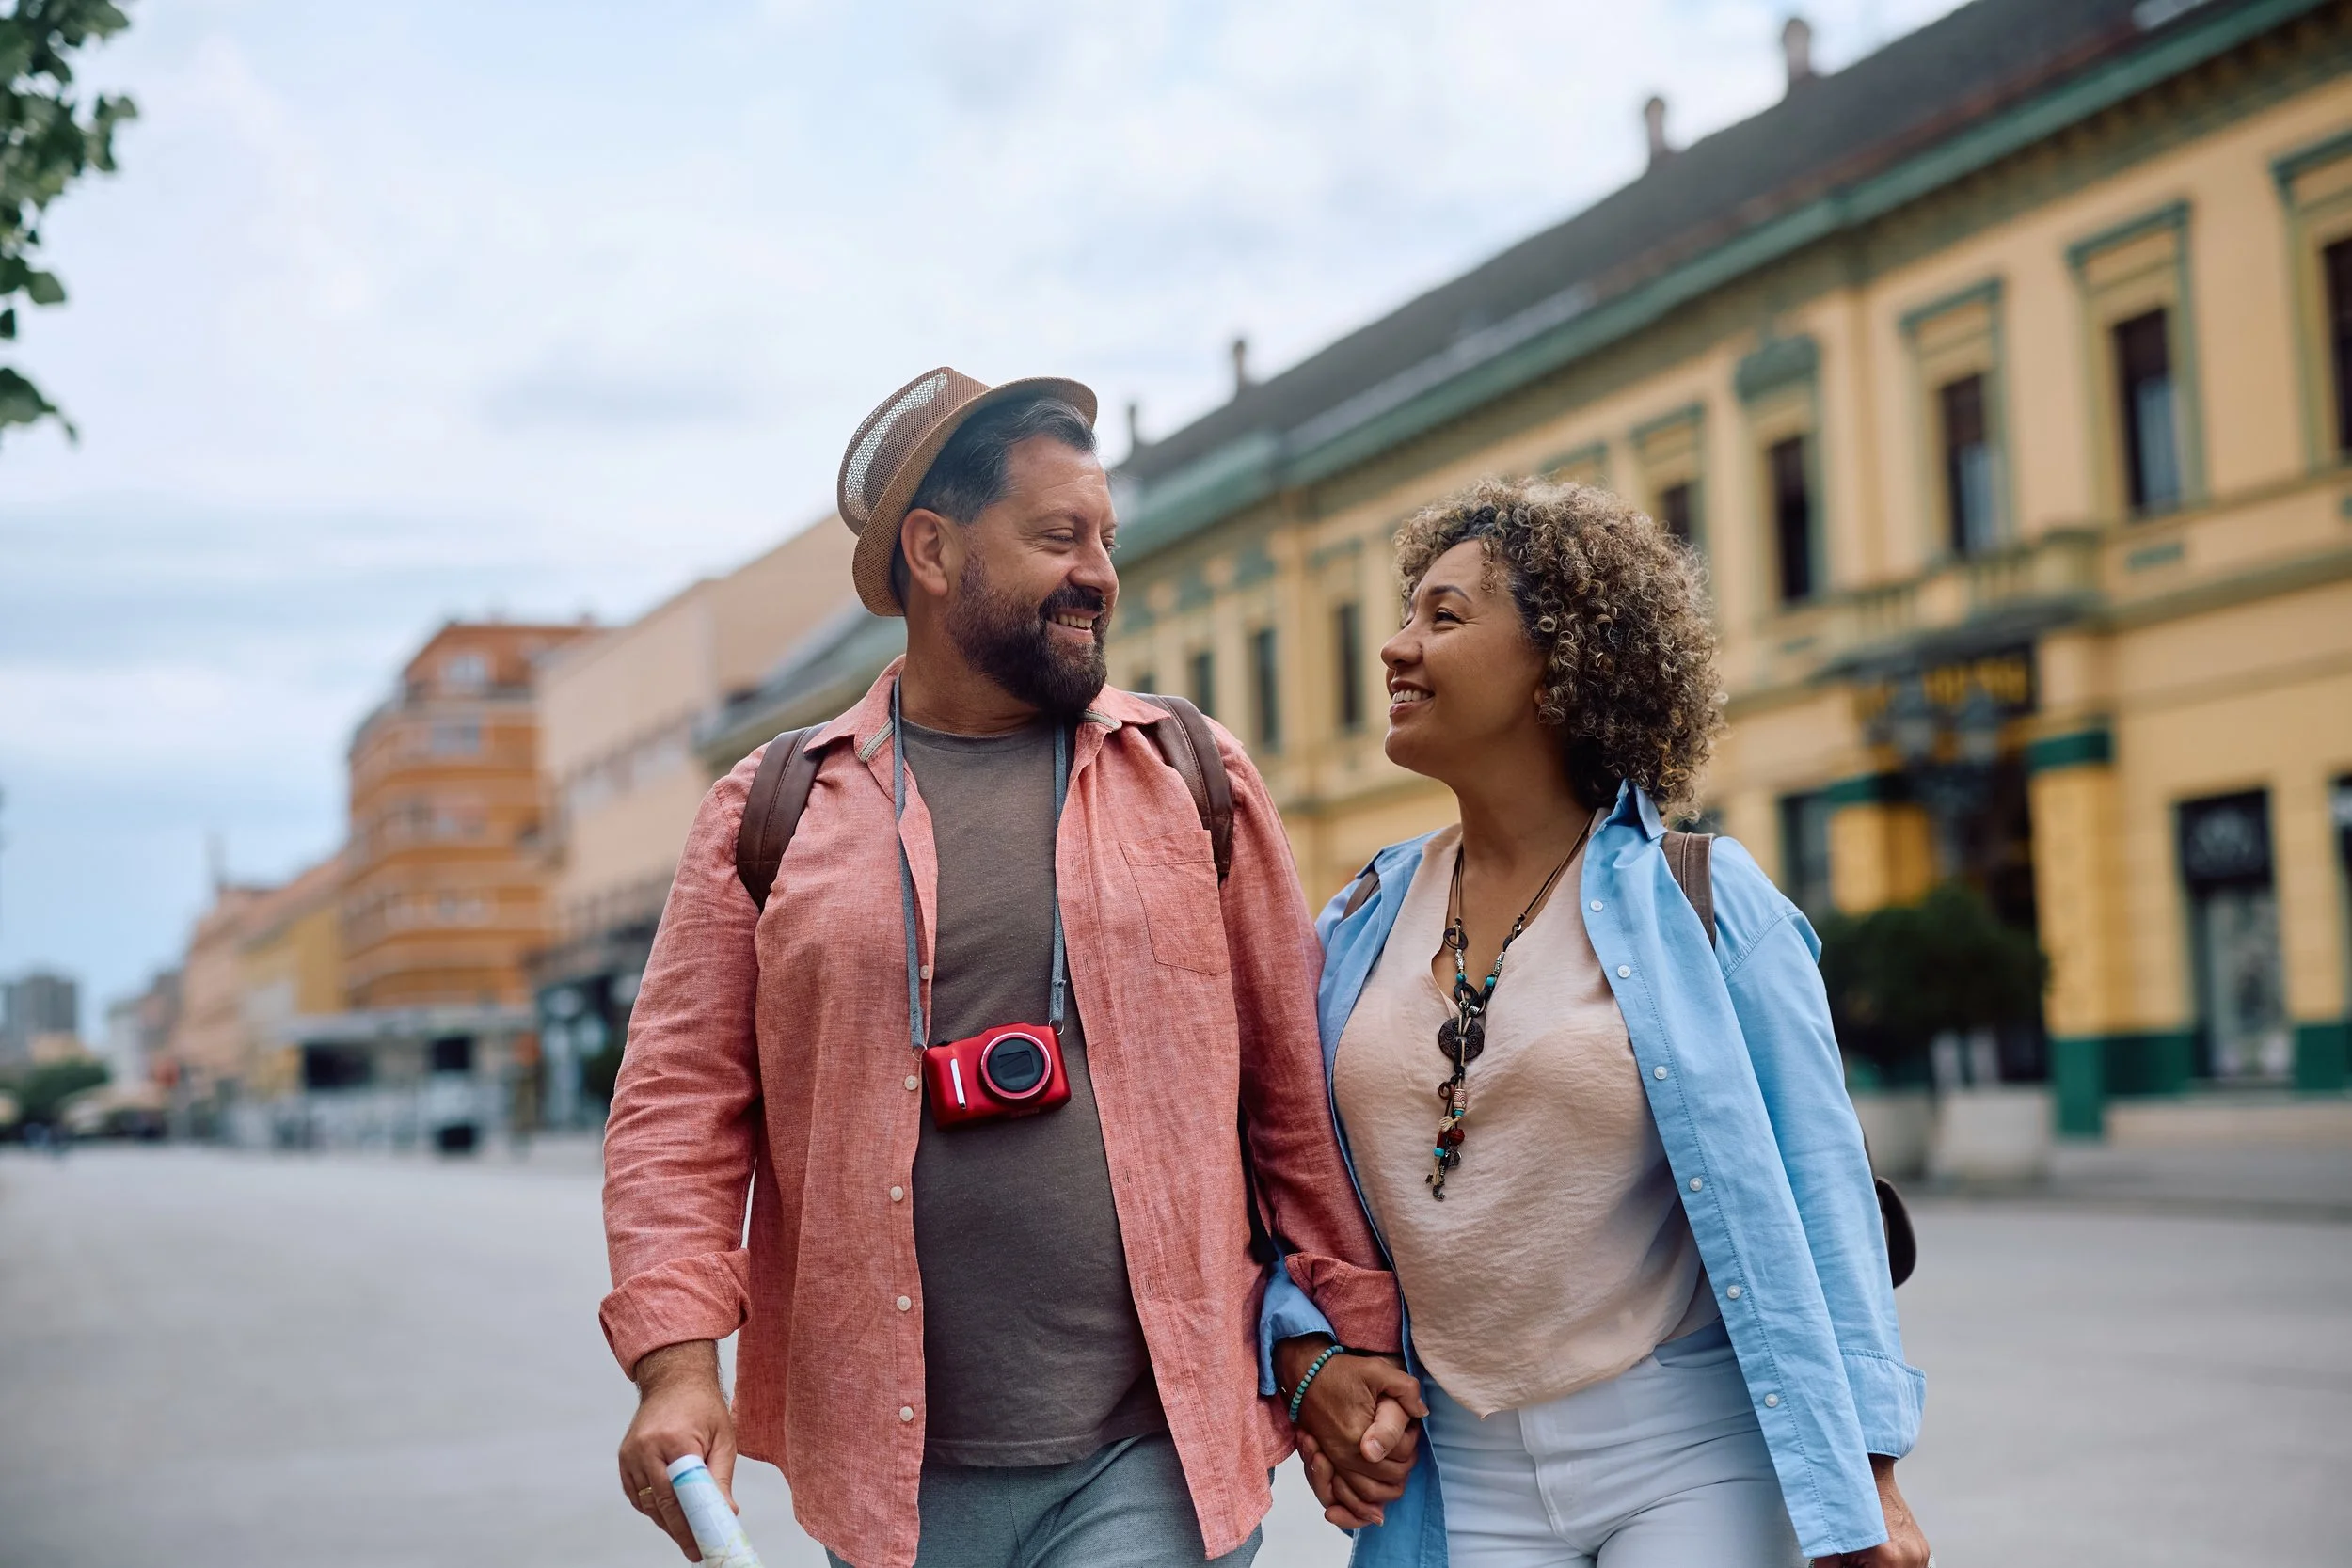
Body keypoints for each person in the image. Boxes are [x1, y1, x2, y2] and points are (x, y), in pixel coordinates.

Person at [600, 368, 1424, 1568]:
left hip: (1150, 1457)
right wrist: (676, 1370)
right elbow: (676, 1108)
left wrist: (1343, 1335)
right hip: (893, 1481)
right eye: (1057, 535)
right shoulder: (771, 808)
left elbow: (1291, 1093)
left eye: (1105, 536)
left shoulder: (1192, 775)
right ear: (932, 553)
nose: (1100, 570)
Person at [1290, 477, 1931, 1568]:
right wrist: (1306, 1361)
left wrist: (1868, 1477)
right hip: (1456, 1470)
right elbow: (1282, 1184)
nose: (1396, 648)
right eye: (1405, 615)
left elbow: (1825, 1187)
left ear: (1559, 666)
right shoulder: (1353, 921)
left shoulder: (1708, 899)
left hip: (1689, 1449)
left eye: (1442, 617)